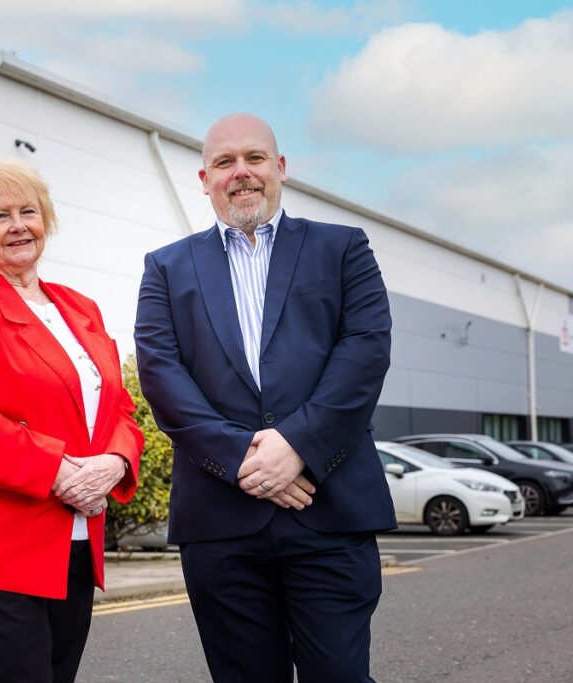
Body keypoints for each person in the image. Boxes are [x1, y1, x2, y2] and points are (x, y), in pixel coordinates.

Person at [134, 113, 396, 682]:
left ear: (280, 169)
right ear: (204, 179)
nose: (241, 173)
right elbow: (161, 375)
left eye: (254, 159)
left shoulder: (344, 248)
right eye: (224, 163)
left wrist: (296, 446)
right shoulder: (165, 267)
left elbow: (365, 355)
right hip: (221, 523)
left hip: (327, 510)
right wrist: (244, 459)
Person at [0, 157, 144, 683]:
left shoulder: (79, 306)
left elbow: (119, 409)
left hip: (74, 540)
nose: (18, 225)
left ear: (47, 221)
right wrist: (63, 474)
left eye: (28, 212)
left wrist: (112, 462)